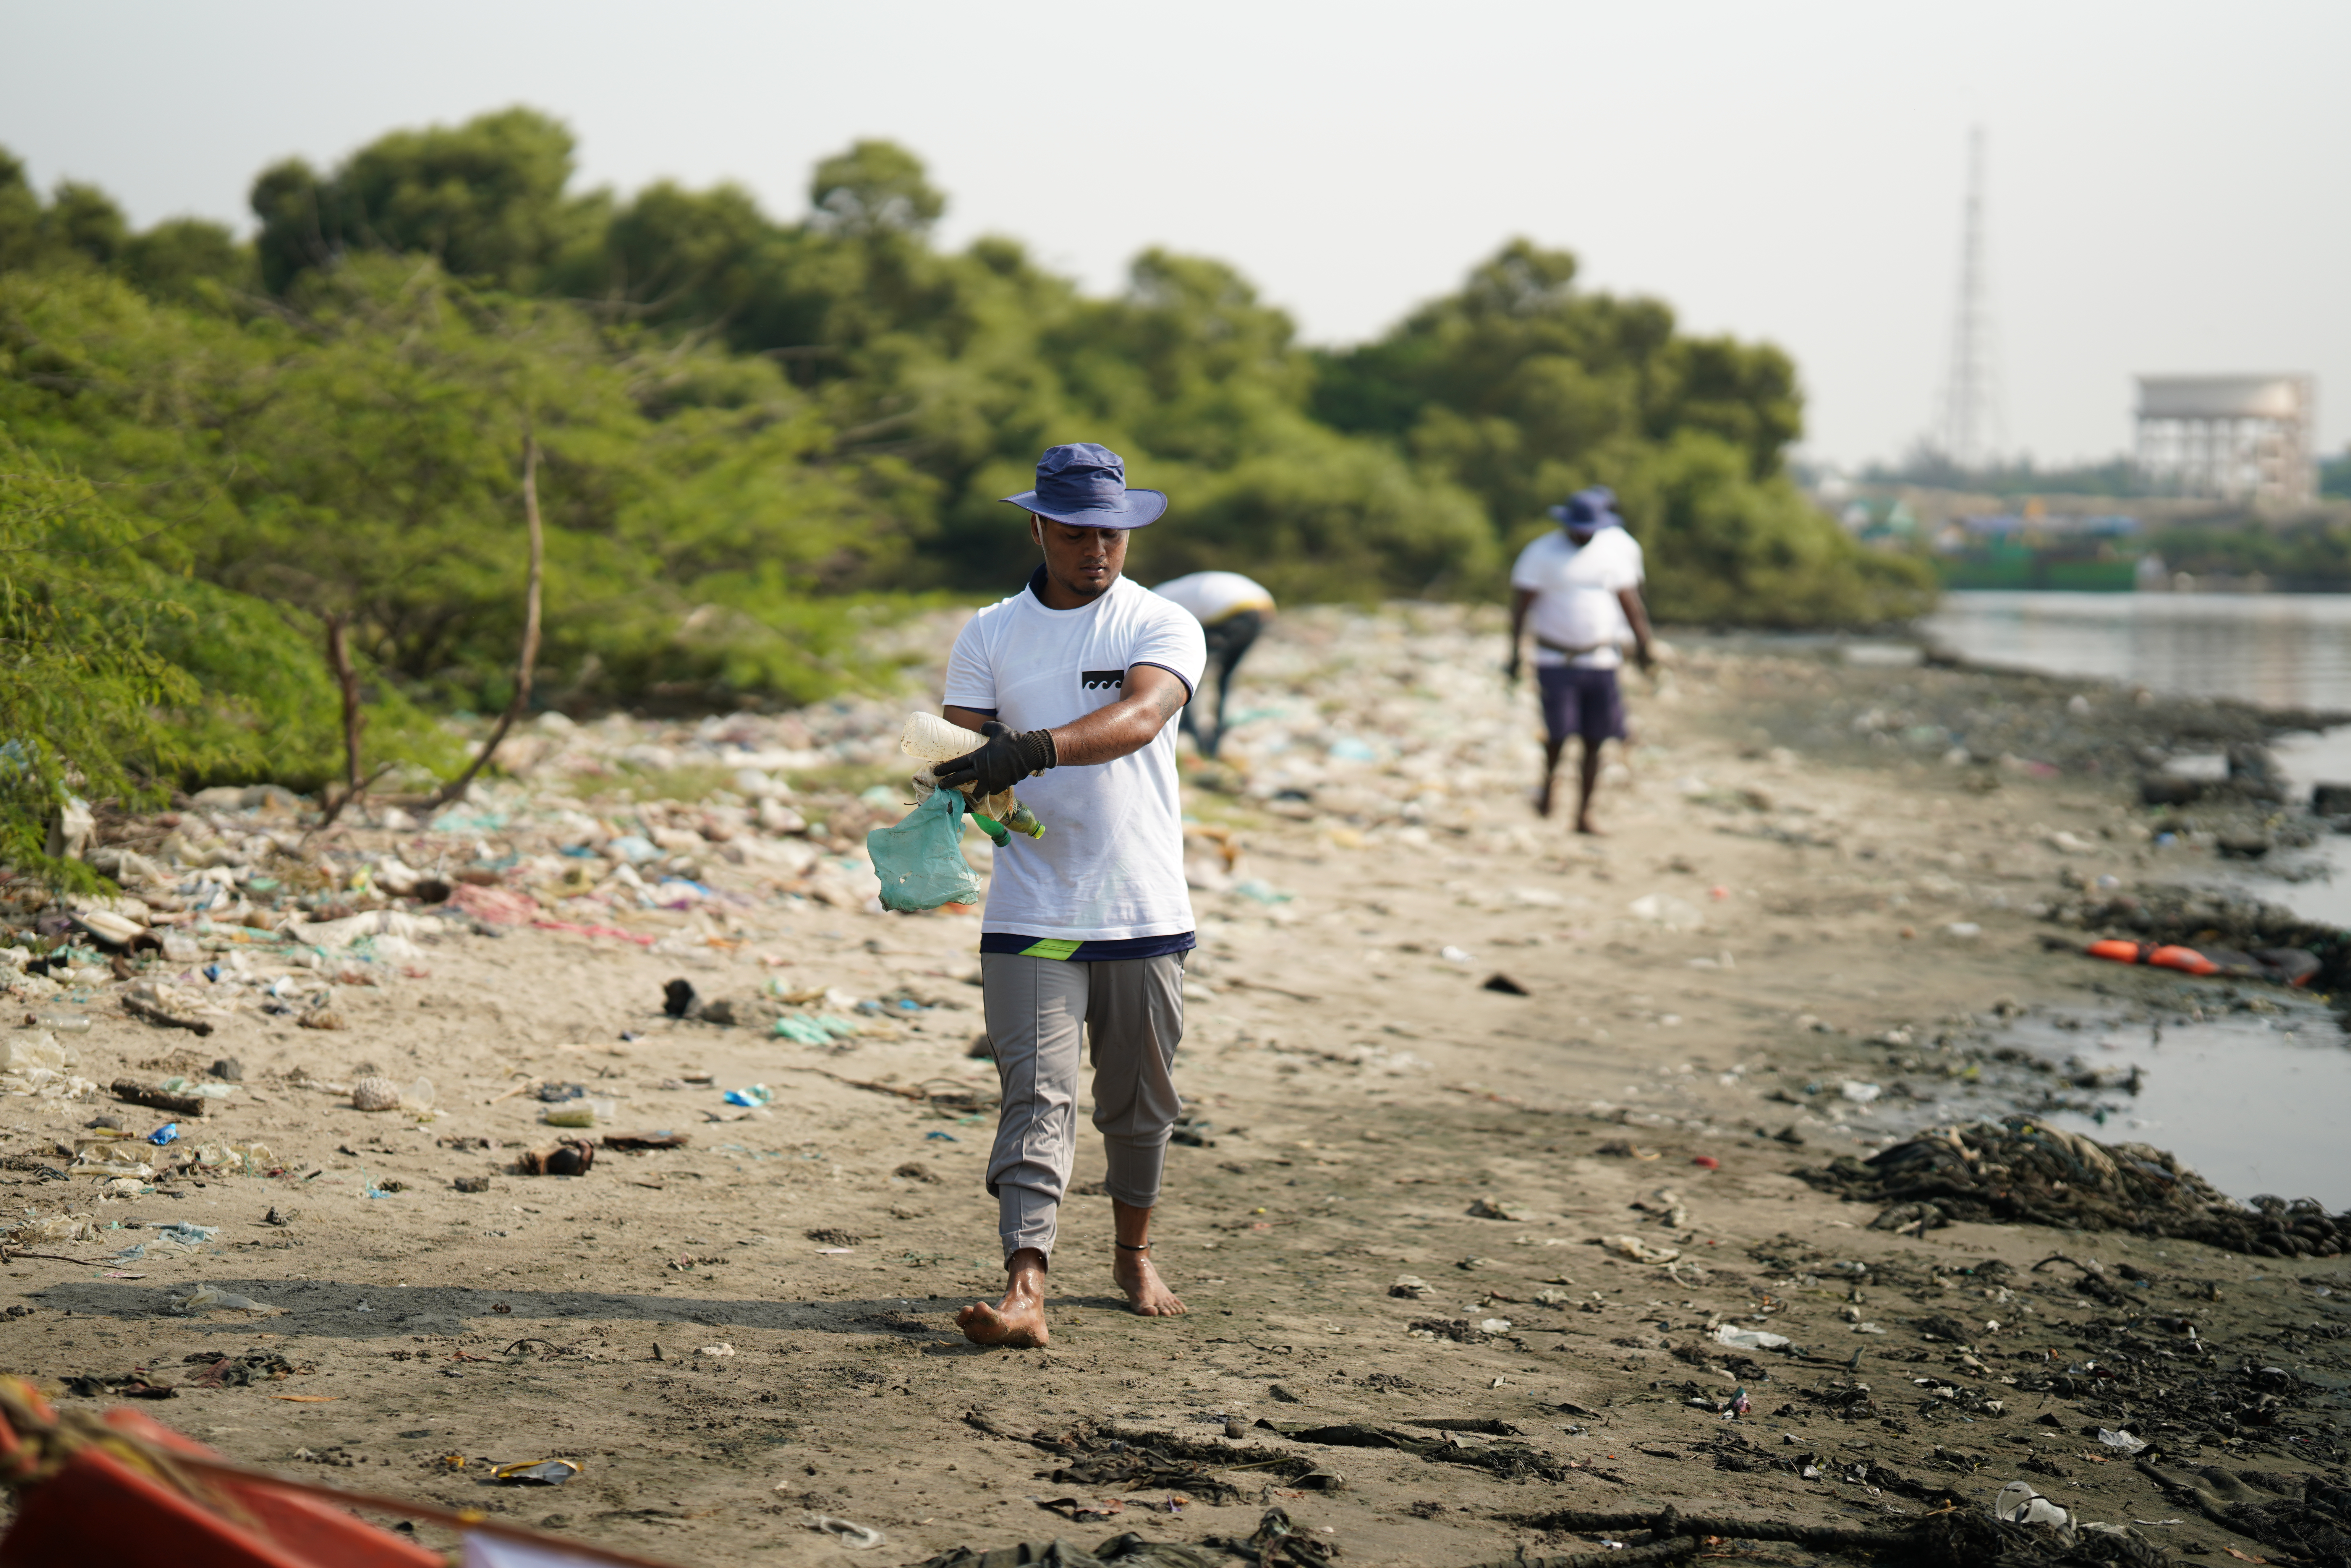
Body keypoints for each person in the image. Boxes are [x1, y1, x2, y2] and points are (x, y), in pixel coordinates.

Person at [932, 442, 1208, 1350]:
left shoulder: (1161, 622)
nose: (1099, 548)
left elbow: (1138, 717)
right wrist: (962, 784)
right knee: (1036, 1093)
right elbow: (962, 747)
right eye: (1079, 530)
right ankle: (1024, 1285)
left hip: (1139, 913)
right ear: (1039, 526)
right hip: (1033, 917)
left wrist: (1032, 749)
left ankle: (1133, 1250)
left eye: (1115, 531)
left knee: (1139, 1100)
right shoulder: (989, 631)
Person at [1506, 485, 1654, 834]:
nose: (1584, 536)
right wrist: (1513, 653)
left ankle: (1583, 814)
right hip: (1554, 658)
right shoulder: (1540, 554)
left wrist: (1645, 647)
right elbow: (1520, 607)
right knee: (1558, 734)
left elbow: (1630, 602)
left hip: (1601, 660)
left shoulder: (1612, 553)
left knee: (1596, 740)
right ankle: (1548, 791)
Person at [1150, 570, 1275, 759]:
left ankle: (1194, 735)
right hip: (1262, 607)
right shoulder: (1171, 591)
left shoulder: (1150, 603)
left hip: (1229, 610)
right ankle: (1216, 736)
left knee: (1188, 676)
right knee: (1226, 676)